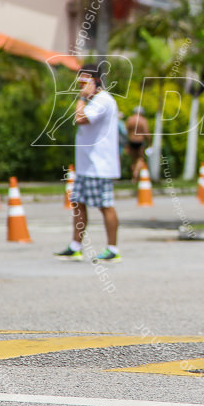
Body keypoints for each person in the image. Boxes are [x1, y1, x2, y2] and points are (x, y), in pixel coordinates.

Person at [55, 63, 122, 263]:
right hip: (87, 166)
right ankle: (75, 246)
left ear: (95, 82)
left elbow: (80, 118)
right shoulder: (95, 101)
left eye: (84, 82)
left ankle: (112, 249)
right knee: (78, 204)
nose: (80, 86)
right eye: (79, 82)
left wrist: (83, 98)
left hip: (99, 166)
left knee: (105, 206)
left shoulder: (102, 101)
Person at [125, 106, 150, 183]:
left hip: (131, 141)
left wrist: (127, 144)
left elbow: (127, 132)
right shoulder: (143, 120)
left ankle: (134, 178)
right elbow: (146, 133)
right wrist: (150, 143)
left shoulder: (130, 119)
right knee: (141, 159)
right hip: (140, 141)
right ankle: (136, 173)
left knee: (133, 160)